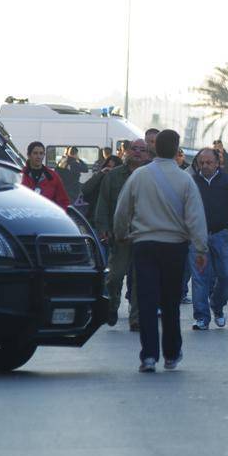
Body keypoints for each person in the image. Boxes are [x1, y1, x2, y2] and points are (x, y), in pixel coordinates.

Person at [114, 129, 208, 373]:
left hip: (144, 245)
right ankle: (172, 353)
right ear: (178, 151)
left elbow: (122, 209)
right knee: (170, 303)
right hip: (174, 248)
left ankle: (148, 356)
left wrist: (121, 234)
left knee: (146, 301)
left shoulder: (139, 176)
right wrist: (201, 250)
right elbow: (196, 218)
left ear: (155, 148)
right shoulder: (185, 180)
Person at [95, 139, 151, 328]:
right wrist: (103, 228)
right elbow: (103, 203)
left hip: (144, 235)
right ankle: (112, 306)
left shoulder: (151, 176)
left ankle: (136, 318)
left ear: (148, 154)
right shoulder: (114, 176)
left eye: (142, 150)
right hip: (119, 235)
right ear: (127, 151)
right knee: (115, 277)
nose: (137, 153)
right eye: (134, 149)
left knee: (140, 279)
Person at [188, 148, 228, 330]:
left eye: (208, 162)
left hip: (221, 234)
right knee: (199, 278)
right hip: (196, 237)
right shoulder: (190, 182)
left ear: (217, 162)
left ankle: (217, 306)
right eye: (201, 163)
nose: (205, 166)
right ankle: (202, 317)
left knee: (227, 275)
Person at [21, 141, 70, 209]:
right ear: (29, 155)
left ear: (44, 155)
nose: (38, 156)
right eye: (35, 153)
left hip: (47, 217)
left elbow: (63, 201)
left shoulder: (53, 176)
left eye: (41, 153)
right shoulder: (20, 175)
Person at [81, 154, 121, 224]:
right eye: (108, 167)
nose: (110, 170)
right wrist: (100, 174)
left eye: (114, 168)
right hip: (95, 218)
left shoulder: (121, 181)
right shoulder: (100, 178)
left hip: (114, 220)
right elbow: (85, 189)